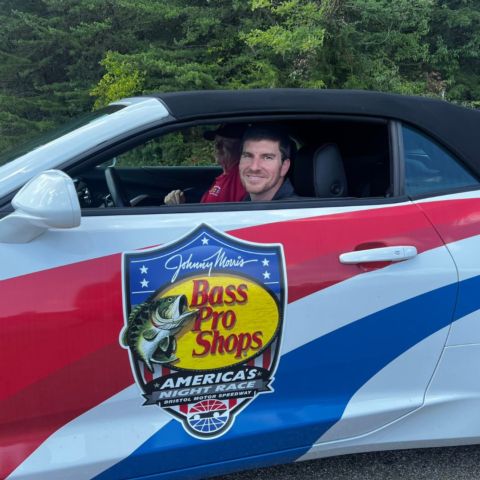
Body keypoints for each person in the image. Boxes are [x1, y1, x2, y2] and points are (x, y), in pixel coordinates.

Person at [164, 124, 247, 205]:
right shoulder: (225, 175)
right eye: (216, 142)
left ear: (242, 148)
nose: (217, 147)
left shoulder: (242, 176)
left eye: (225, 143)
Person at [239, 125, 298, 201]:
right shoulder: (245, 203)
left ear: (284, 167)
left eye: (267, 158)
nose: (254, 167)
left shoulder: (293, 210)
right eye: (247, 156)